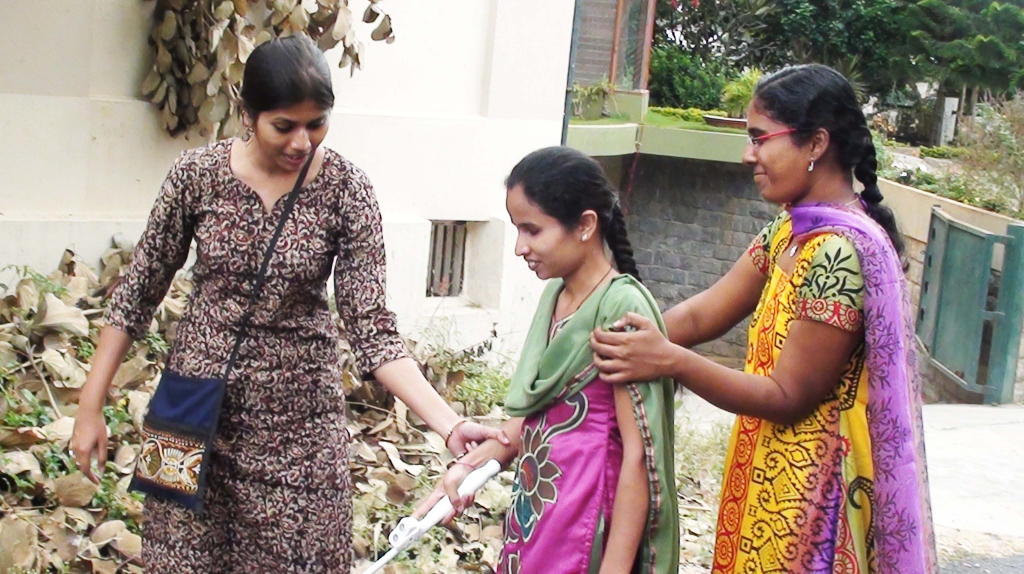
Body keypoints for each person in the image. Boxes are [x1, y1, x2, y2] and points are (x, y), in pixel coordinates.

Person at [70, 35, 506, 573]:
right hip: (188, 409)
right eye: (285, 125)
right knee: (176, 561)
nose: (303, 141)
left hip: (298, 431)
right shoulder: (195, 176)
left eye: (317, 123)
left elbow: (372, 328)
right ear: (248, 114)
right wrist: (90, 405)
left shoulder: (347, 190)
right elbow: (138, 293)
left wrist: (447, 424)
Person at [589, 64, 936, 574]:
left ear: (815, 143)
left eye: (759, 138)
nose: (748, 154)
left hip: (815, 502)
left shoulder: (838, 252)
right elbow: (705, 311)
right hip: (765, 473)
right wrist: (611, 340)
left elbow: (787, 397)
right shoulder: (788, 232)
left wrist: (668, 362)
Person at [416, 147, 678, 574]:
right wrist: (467, 468)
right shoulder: (555, 297)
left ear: (585, 226)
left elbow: (637, 456)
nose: (520, 247)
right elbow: (537, 417)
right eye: (518, 229)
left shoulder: (622, 309)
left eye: (532, 230)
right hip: (540, 513)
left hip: (590, 521)